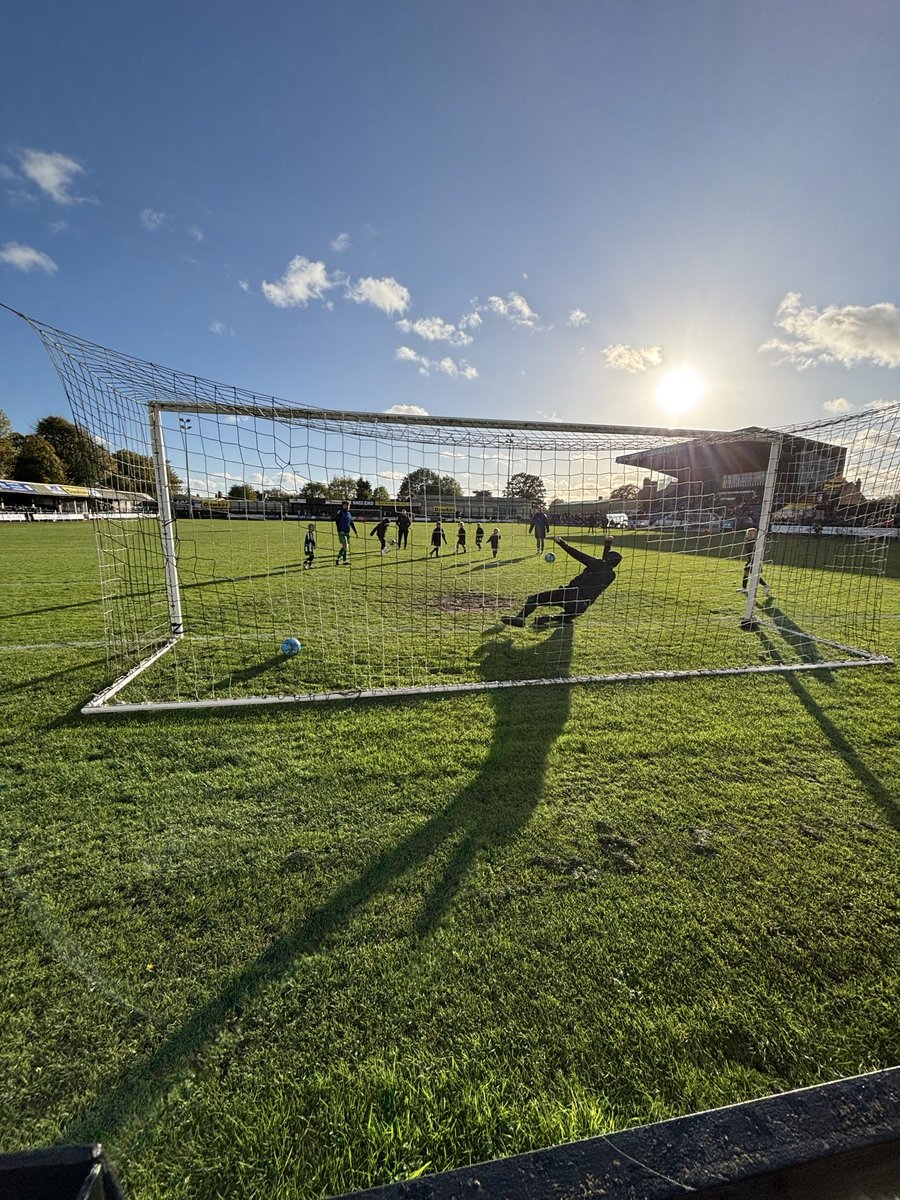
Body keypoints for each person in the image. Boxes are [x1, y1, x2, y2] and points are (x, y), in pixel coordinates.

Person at [502, 536, 621, 627]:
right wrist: (607, 544)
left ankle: (520, 618)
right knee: (567, 617)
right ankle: (554, 618)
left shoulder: (596, 563)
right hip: (582, 607)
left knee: (534, 599)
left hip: (570, 595)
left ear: (606, 559)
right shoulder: (611, 575)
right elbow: (605, 562)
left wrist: (561, 542)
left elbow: (576, 554)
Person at [739, 527, 771, 596]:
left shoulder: (756, 542)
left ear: (755, 535)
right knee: (746, 572)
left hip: (755, 561)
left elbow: (758, 551)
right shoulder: (748, 541)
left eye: (751, 534)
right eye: (748, 534)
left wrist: (754, 557)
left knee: (754, 575)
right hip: (750, 560)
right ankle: (744, 588)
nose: (749, 535)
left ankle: (765, 585)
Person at [334, 500, 358, 565]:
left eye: (348, 505)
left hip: (347, 533)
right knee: (344, 546)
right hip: (342, 532)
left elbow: (351, 523)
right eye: (346, 505)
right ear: (343, 506)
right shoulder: (340, 512)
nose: (348, 506)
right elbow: (337, 521)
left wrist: (355, 532)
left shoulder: (349, 514)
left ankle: (344, 561)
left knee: (346, 547)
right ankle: (337, 559)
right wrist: (339, 530)